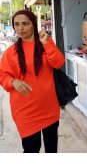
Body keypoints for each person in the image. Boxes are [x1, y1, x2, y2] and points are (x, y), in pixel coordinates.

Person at [0, 10, 65, 153]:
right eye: (16, 24)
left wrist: (46, 44)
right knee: (31, 150)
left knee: (51, 149)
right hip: (25, 111)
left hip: (49, 107)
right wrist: (13, 81)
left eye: (25, 24)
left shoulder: (45, 43)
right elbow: (3, 76)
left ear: (33, 25)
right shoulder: (10, 52)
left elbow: (58, 63)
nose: (20, 28)